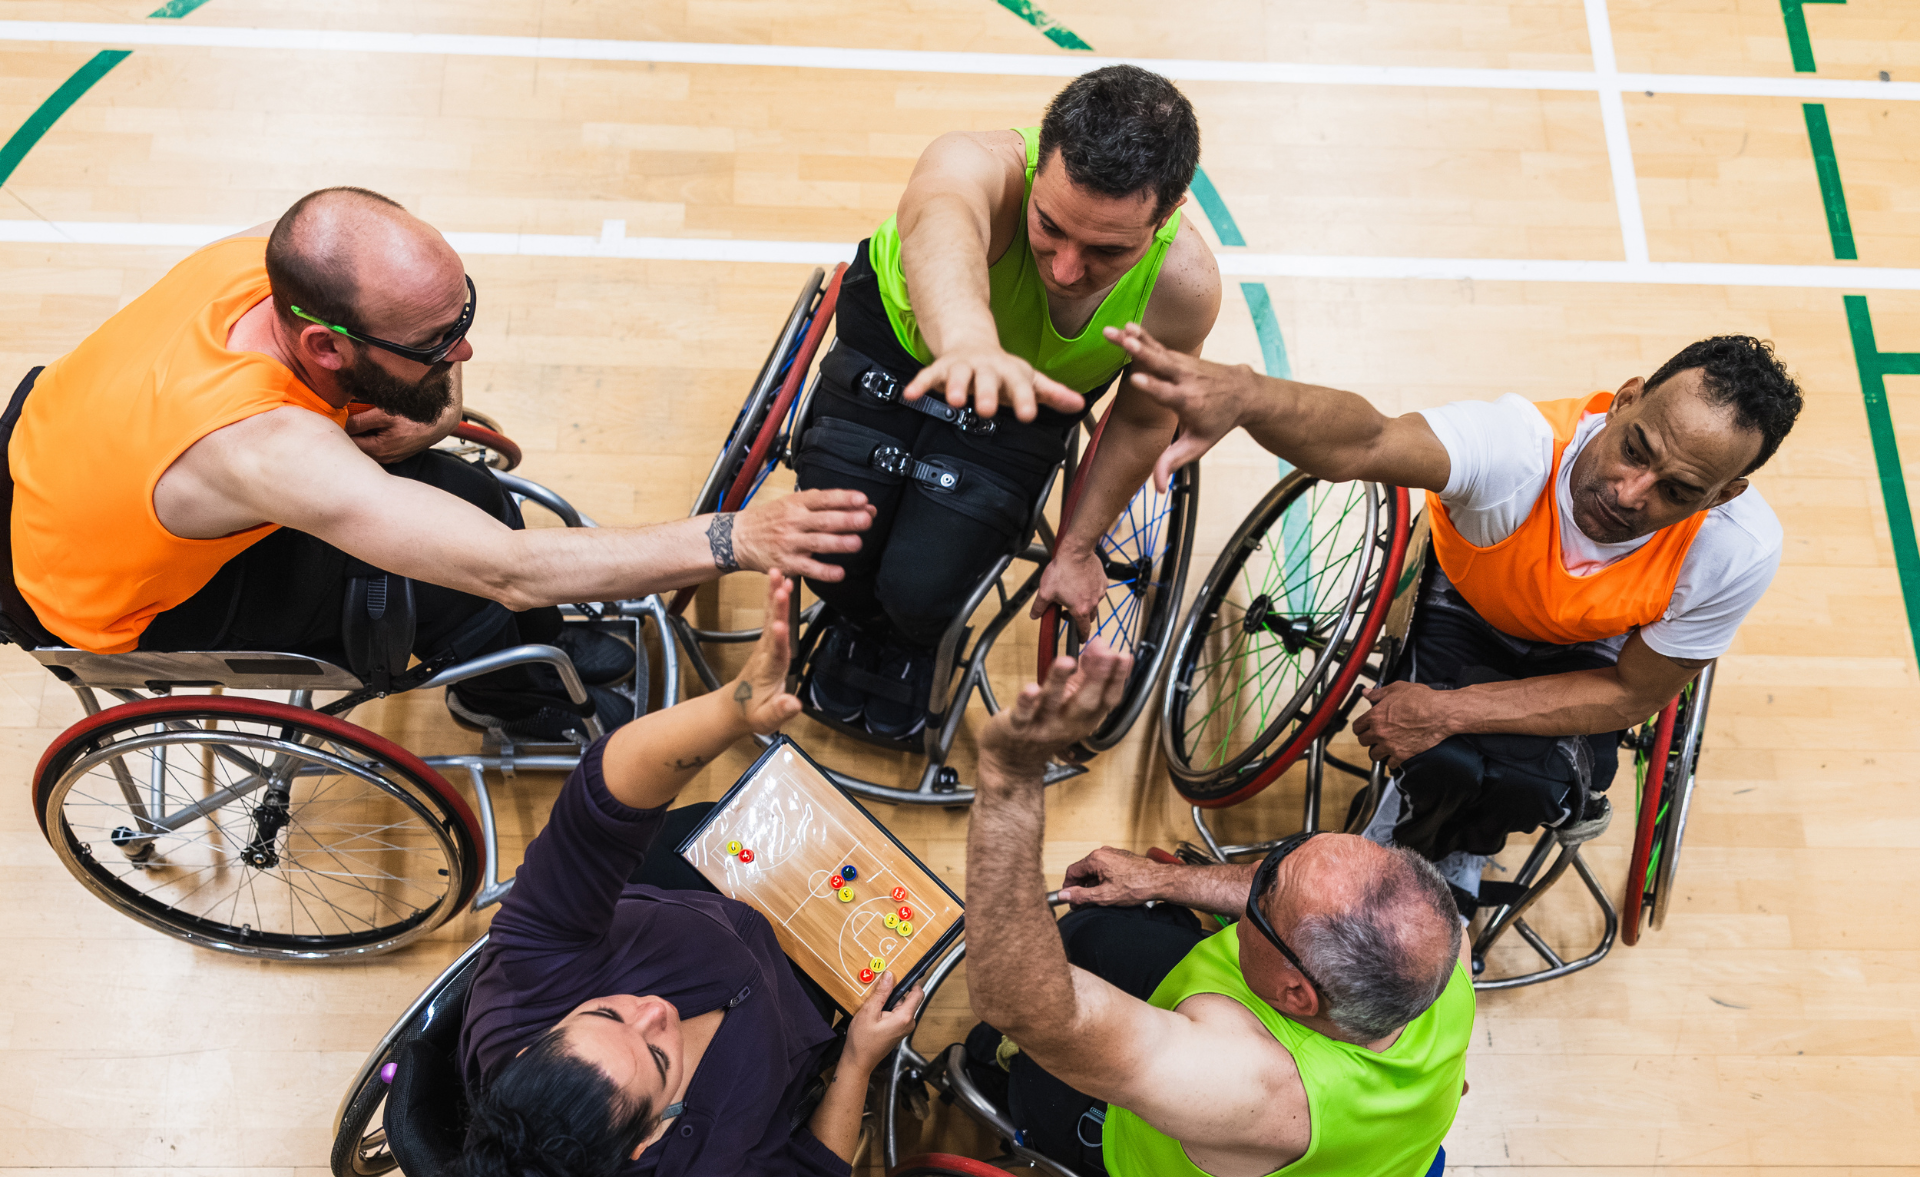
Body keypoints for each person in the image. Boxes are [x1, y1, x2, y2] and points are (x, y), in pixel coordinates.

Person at [3, 186, 873, 743]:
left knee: (466, 492)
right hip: (110, 598)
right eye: (437, 343)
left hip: (53, 458)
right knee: (459, 577)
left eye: (463, 315)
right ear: (324, 343)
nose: (466, 349)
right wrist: (735, 537)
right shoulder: (264, 447)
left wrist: (437, 400)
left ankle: (533, 661)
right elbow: (514, 571)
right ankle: (513, 698)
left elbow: (428, 372)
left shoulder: (273, 258)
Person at [1107, 324, 1804, 910]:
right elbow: (1367, 441)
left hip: (1597, 648)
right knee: (1441, 763)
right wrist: (1250, 396)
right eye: (1635, 449)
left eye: (1678, 490)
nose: (1629, 493)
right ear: (1625, 401)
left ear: (1723, 495)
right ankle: (1409, 838)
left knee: (1534, 785)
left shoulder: (1737, 549)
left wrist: (1450, 710)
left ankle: (1462, 851)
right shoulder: (1517, 449)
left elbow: (1632, 693)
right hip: (1467, 600)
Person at [427, 571, 921, 1177]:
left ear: (538, 1036)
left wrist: (731, 710)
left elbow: (599, 803)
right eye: (659, 1060)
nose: (654, 1010)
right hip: (813, 997)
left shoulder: (529, 978)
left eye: (606, 1011)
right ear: (652, 1139)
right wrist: (857, 1065)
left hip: (696, 880)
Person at [962, 643, 1473, 1177]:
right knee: (1099, 931)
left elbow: (1026, 1008)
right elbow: (1294, 897)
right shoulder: (1433, 948)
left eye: (1263, 898)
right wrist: (1157, 880)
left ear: (1294, 992)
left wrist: (1009, 781)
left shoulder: (1246, 1083)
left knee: (1027, 1060)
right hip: (1341, 1172)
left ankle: (999, 1077)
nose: (1255, 878)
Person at [791, 64, 1221, 739]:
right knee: (831, 560)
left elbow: (1141, 420)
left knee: (922, 593)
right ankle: (852, 619)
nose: (1066, 268)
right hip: (899, 347)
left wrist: (1079, 546)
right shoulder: (974, 162)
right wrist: (968, 343)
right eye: (1049, 226)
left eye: (1106, 249)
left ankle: (906, 638)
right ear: (1038, 158)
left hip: (1028, 401)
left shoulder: (1185, 285)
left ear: (1168, 211)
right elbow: (940, 219)